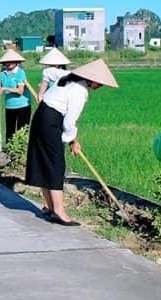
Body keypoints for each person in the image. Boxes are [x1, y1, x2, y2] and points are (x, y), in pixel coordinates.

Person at [25, 59, 119, 225]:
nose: (101, 86)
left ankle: (48, 206)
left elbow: (48, 72)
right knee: (56, 165)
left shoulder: (68, 76)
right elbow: (69, 123)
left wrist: (71, 139)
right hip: (51, 121)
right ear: (92, 79)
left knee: (45, 162)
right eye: (101, 83)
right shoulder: (80, 91)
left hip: (41, 116)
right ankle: (59, 212)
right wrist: (72, 141)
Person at [0, 49, 31, 142]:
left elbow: (20, 91)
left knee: (22, 131)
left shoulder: (20, 72)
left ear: (16, 62)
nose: (9, 63)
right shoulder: (2, 73)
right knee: (10, 132)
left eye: (11, 61)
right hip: (10, 106)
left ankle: (20, 153)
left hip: (22, 106)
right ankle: (9, 152)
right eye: (6, 62)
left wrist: (6, 89)